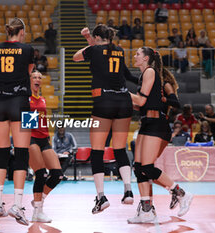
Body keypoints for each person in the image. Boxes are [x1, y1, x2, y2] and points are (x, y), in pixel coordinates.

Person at [74, 24, 140, 214]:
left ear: (96, 37)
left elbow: (76, 57)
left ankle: (101, 197)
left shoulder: (93, 49)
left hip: (104, 101)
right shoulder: (119, 50)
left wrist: (87, 40)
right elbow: (126, 75)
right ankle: (128, 190)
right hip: (123, 101)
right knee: (120, 148)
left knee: (97, 150)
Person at [128, 46, 193, 224]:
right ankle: (146, 211)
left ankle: (181, 193)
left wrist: (120, 93)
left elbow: (141, 100)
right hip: (147, 124)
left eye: (138, 54)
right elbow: (141, 105)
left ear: (147, 58)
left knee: (147, 168)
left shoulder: (150, 72)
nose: (134, 56)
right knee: (139, 168)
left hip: (157, 124)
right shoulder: (145, 77)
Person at [0, 17, 35, 225]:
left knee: (2, 152)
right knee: (22, 153)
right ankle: (17, 205)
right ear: (22, 32)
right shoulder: (27, 49)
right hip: (21, 101)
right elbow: (28, 72)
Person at [29, 70, 63, 223]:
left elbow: (43, 120)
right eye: (34, 77)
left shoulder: (42, 99)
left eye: (39, 78)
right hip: (31, 138)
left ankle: (39, 200)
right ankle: (37, 212)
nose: (37, 79)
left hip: (44, 138)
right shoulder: (25, 98)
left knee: (57, 174)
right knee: (41, 173)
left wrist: (48, 135)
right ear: (29, 80)